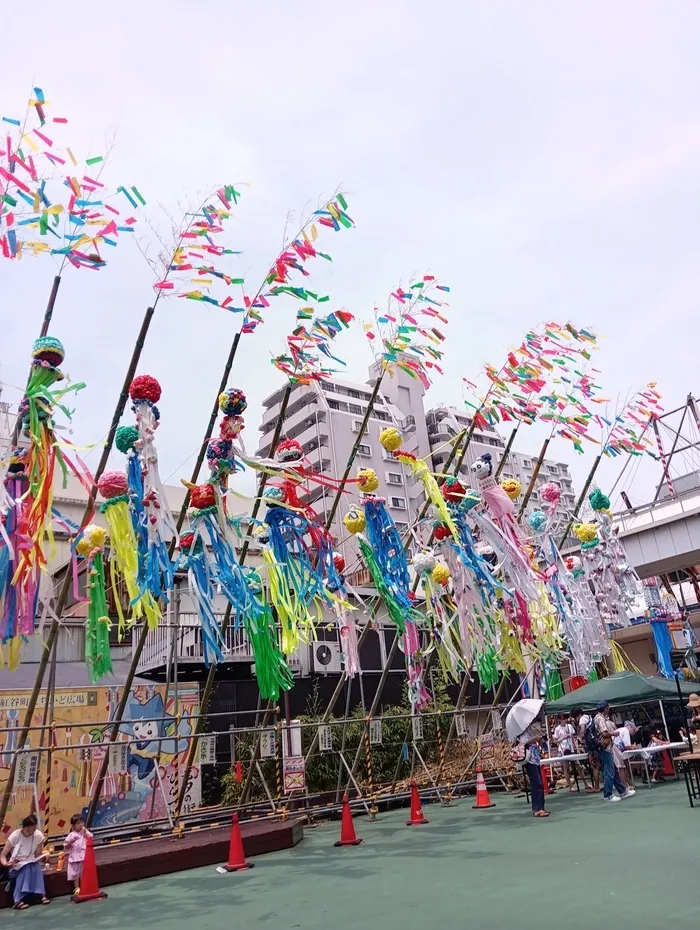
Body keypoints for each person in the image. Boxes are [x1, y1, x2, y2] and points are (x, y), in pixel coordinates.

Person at [0, 814, 50, 910]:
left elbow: (37, 854)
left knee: (35, 866)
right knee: (26, 868)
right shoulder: (15, 836)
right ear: (23, 827)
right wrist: (6, 864)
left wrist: (44, 857)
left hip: (31, 862)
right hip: (15, 866)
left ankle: (41, 895)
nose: (31, 833)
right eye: (28, 830)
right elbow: (2, 855)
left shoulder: (38, 835)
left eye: (33, 830)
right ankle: (17, 900)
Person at [594, 701, 635, 802]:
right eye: (607, 708)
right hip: (605, 748)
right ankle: (608, 795)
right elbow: (604, 733)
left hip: (603, 748)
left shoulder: (596, 718)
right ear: (605, 708)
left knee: (613, 771)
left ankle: (623, 791)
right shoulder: (600, 719)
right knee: (609, 772)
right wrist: (614, 734)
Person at [519, 720, 549, 818]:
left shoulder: (529, 729)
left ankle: (541, 807)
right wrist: (535, 739)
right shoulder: (521, 731)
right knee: (537, 783)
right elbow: (523, 742)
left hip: (535, 758)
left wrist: (540, 739)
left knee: (537, 784)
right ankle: (537, 809)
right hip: (529, 759)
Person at [573, 705, 600, 792]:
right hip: (596, 743)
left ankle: (596, 787)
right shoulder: (589, 717)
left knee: (594, 766)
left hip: (591, 746)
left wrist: (581, 738)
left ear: (577, 715)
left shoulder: (582, 719)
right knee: (598, 765)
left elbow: (582, 730)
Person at [63, 814, 93, 891]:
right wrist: (71, 841)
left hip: (84, 855)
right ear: (73, 826)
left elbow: (91, 837)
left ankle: (85, 885)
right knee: (75, 872)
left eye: (82, 822)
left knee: (84, 872)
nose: (81, 825)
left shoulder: (84, 832)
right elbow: (66, 846)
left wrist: (85, 831)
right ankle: (76, 887)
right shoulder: (71, 835)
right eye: (78, 823)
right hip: (75, 856)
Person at [553, 713, 577, 791]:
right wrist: (563, 738)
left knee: (578, 766)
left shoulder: (569, 726)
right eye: (562, 718)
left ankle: (586, 783)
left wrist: (576, 747)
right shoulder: (557, 729)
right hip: (563, 749)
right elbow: (555, 741)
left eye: (565, 718)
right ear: (559, 720)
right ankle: (570, 786)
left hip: (571, 749)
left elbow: (573, 738)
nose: (564, 720)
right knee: (566, 768)